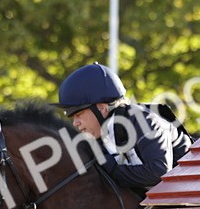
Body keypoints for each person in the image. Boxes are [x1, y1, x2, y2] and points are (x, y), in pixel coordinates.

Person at [53, 63, 192, 196]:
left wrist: (112, 169)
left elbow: (158, 173)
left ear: (101, 108)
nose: (75, 123)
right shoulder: (99, 136)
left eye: (78, 114)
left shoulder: (144, 121)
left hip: (193, 189)